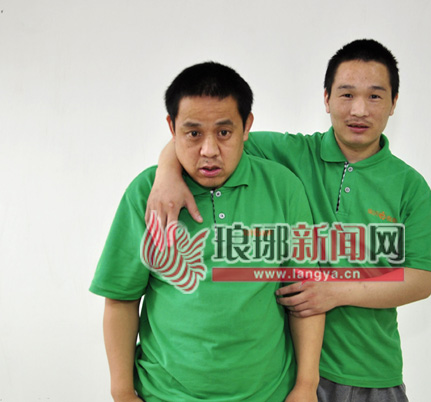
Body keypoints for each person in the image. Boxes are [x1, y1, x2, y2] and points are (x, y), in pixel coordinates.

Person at [147, 39, 431, 402]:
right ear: (326, 98)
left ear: (394, 103)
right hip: (292, 376)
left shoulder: (410, 185)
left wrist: (334, 291)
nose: (359, 109)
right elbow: (210, 136)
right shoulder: (293, 153)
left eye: (375, 96)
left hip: (374, 370)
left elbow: (420, 279)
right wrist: (166, 172)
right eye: (346, 94)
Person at [90, 62, 324, 402]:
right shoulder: (147, 194)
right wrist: (122, 392)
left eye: (224, 133)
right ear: (171, 128)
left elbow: (305, 297)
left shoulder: (283, 188)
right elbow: (121, 298)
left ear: (247, 126)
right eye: (193, 133)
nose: (209, 150)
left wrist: (305, 386)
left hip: (268, 393)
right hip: (166, 394)